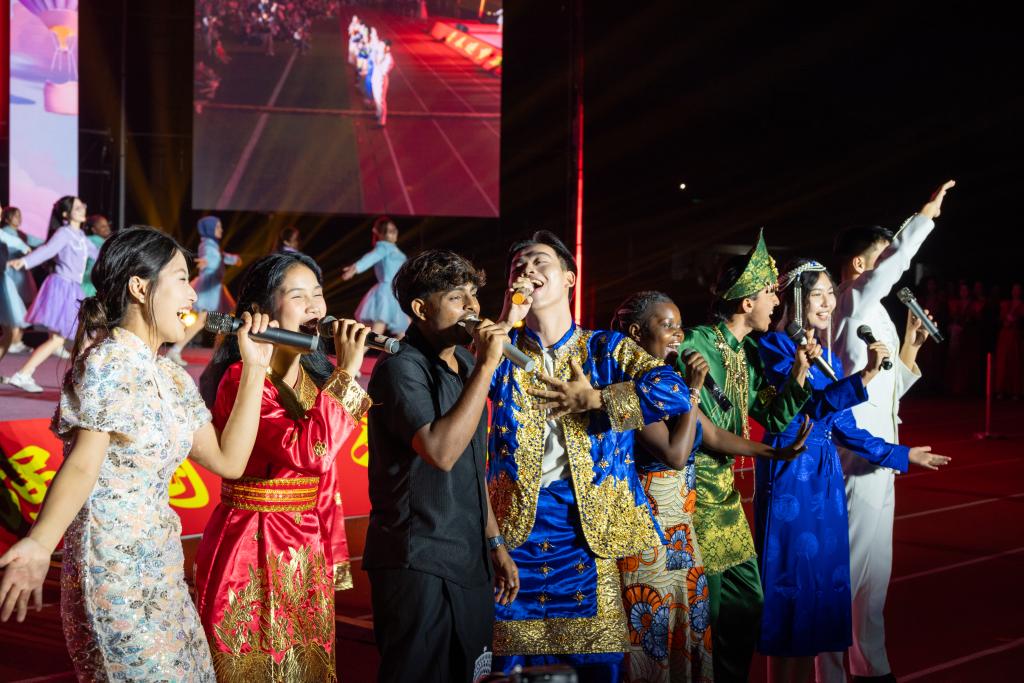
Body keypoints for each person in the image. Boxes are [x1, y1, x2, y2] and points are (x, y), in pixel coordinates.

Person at [0, 226, 273, 681]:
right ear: (140, 288)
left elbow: (229, 461)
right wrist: (40, 544)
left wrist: (256, 368)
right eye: (182, 278)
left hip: (163, 566)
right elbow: (83, 464)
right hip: (114, 571)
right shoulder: (108, 362)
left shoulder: (171, 376)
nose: (193, 293)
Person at [485, 232, 696, 682]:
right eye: (518, 266)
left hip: (587, 534)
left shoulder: (605, 349)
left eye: (539, 261)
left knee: (596, 667)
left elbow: (674, 391)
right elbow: (463, 381)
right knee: (508, 667)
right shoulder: (499, 349)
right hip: (514, 536)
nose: (527, 270)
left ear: (569, 278)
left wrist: (597, 399)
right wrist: (505, 319)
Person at [755, 259, 949, 683]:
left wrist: (901, 454)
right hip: (792, 474)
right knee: (791, 587)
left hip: (824, 477)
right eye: (818, 294)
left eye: (830, 293)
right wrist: (865, 376)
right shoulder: (773, 348)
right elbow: (805, 410)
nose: (828, 302)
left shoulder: (822, 353)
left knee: (822, 588)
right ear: (796, 300)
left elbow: (842, 426)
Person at [611, 290, 808, 683]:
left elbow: (713, 434)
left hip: (683, 530)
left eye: (679, 325)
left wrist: (773, 451)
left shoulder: (669, 381)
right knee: (655, 640)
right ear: (636, 333)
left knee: (689, 636)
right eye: (666, 326)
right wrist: (694, 389)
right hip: (650, 532)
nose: (677, 335)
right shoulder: (624, 388)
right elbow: (676, 453)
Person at [195, 252, 371, 681]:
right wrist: (348, 371)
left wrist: (330, 557)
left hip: (304, 548)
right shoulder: (242, 379)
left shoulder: (313, 379)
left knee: (303, 667)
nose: (315, 306)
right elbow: (311, 453)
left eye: (318, 294)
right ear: (262, 311)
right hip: (253, 543)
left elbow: (325, 482)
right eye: (298, 296)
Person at [818, 180, 954, 683]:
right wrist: (924, 218)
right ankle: (830, 671)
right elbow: (895, 263)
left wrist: (911, 347)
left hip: (882, 455)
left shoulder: (873, 312)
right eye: (881, 257)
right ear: (860, 265)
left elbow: (886, 390)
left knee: (876, 576)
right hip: (857, 456)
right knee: (848, 573)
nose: (890, 266)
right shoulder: (851, 302)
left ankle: (872, 666)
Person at [365, 249, 517, 683]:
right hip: (419, 560)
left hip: (468, 555)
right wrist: (487, 365)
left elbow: (471, 464)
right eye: (456, 298)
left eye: (473, 295)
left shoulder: (466, 362)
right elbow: (441, 451)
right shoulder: (399, 368)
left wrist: (495, 542)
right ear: (420, 308)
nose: (472, 308)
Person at [677, 230, 816, 683]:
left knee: (747, 604)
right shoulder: (696, 343)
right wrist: (773, 451)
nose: (777, 302)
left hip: (729, 500)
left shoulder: (748, 354)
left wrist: (799, 373)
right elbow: (706, 433)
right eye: (770, 293)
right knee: (710, 613)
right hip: (694, 497)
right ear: (746, 302)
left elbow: (771, 415)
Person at [4, 196, 100, 393]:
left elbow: (99, 255)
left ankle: (84, 382)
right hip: (61, 287)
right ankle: (23, 374)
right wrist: (25, 262)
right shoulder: (64, 233)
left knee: (81, 339)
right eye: (77, 207)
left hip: (73, 288)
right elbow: (47, 250)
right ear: (66, 214)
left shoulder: (80, 236)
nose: (82, 209)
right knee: (60, 339)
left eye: (82, 205)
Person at [167, 215, 242, 366]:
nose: (221, 229)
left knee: (225, 320)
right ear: (210, 229)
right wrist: (206, 262)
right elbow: (209, 258)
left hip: (215, 288)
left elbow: (221, 257)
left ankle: (222, 354)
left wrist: (234, 259)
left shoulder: (213, 246)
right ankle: (175, 350)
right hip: (208, 288)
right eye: (218, 227)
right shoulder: (207, 245)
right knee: (205, 320)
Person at [341, 216, 410, 337]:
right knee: (380, 326)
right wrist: (355, 268)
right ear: (381, 234)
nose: (393, 233)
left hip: (396, 292)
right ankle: (363, 347)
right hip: (386, 292)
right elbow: (371, 258)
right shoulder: (384, 246)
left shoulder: (395, 249)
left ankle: (393, 350)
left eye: (394, 229)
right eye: (389, 231)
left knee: (403, 331)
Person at [0, 207, 36, 359]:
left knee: (9, 331)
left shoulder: (5, 234)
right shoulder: (5, 233)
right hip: (8, 276)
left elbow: (24, 246)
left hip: (5, 279)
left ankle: (16, 341)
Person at [995, 283, 1024, 399]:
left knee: (1014, 362)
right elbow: (1000, 318)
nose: (1015, 292)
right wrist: (1005, 319)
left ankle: (1015, 390)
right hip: (1004, 335)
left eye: (1018, 289)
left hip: (1015, 336)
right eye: (1014, 289)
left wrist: (1015, 320)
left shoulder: (1022, 305)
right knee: (1003, 362)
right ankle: (1001, 390)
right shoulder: (1006, 304)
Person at [81, 214, 113, 298]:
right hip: (89, 284)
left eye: (107, 225)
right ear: (94, 230)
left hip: (94, 284)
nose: (107, 228)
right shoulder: (89, 241)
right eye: (103, 226)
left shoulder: (106, 243)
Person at [372, 40, 394, 126]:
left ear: (387, 47)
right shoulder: (379, 53)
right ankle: (378, 113)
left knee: (381, 100)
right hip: (375, 78)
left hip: (382, 80)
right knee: (376, 98)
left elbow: (384, 69)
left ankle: (382, 121)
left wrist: (380, 60)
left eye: (383, 46)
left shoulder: (388, 58)